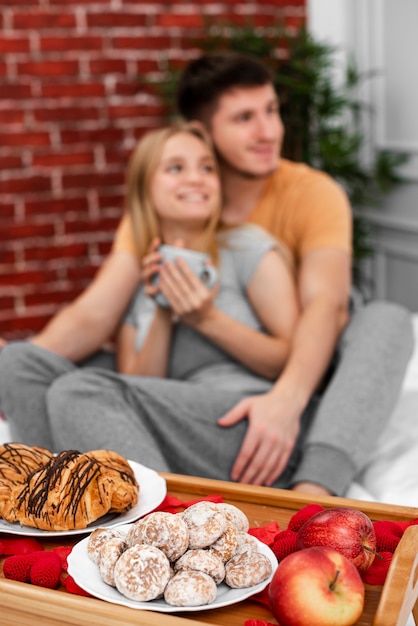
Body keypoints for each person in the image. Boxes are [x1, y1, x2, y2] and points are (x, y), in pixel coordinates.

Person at [0, 52, 413, 496]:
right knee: (23, 364)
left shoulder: (300, 202)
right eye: (245, 118)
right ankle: (66, 492)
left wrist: (285, 400)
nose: (269, 131)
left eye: (272, 111)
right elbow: (95, 316)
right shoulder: (161, 215)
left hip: (297, 372)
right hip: (186, 395)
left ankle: (313, 489)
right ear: (204, 131)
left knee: (386, 319)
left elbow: (324, 306)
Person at [0, 121, 314, 487]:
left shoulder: (247, 248)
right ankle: (58, 498)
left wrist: (206, 318)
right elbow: (134, 386)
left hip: (249, 425)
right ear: (145, 189)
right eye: (176, 168)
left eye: (207, 167)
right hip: (170, 426)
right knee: (15, 361)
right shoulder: (143, 276)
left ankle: (158, 516)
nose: (196, 178)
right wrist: (162, 307)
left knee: (77, 390)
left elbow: (288, 359)